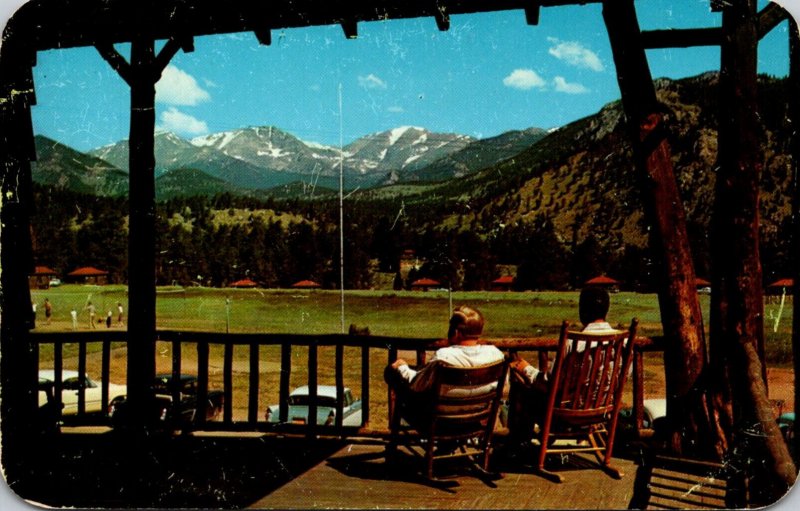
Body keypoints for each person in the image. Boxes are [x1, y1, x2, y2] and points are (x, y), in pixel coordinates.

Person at [506, 286, 621, 446]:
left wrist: (525, 368)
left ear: (582, 311)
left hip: (566, 413)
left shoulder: (574, 343)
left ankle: (516, 447)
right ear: (606, 310)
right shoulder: (622, 341)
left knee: (521, 390)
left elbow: (550, 383)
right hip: (601, 410)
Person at [384, 305, 504, 423]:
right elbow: (504, 389)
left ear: (456, 332)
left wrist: (402, 367)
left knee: (392, 373)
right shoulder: (495, 354)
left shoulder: (444, 357)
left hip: (441, 418)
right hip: (477, 415)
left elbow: (417, 384)